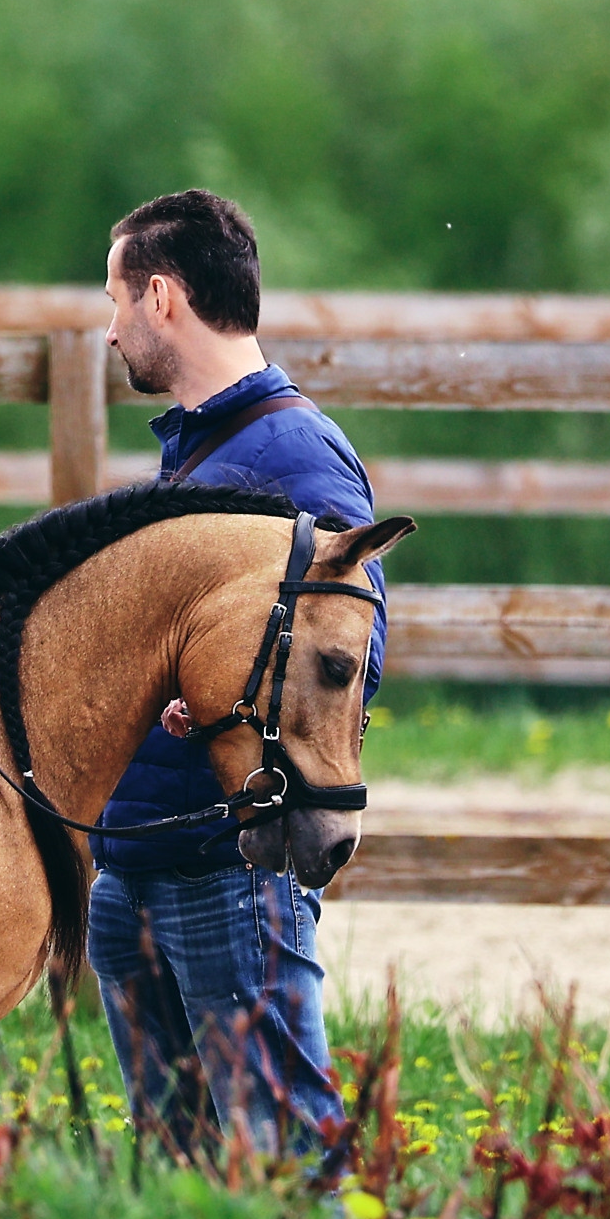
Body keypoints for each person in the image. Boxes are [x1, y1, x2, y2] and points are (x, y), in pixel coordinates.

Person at [88, 187, 386, 1160]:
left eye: (116, 300)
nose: (109, 330)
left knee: (284, 1156)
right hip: (137, 859)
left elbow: (348, 646)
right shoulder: (200, 449)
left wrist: (234, 708)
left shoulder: (290, 457)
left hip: (225, 868)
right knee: (173, 1167)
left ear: (162, 299)